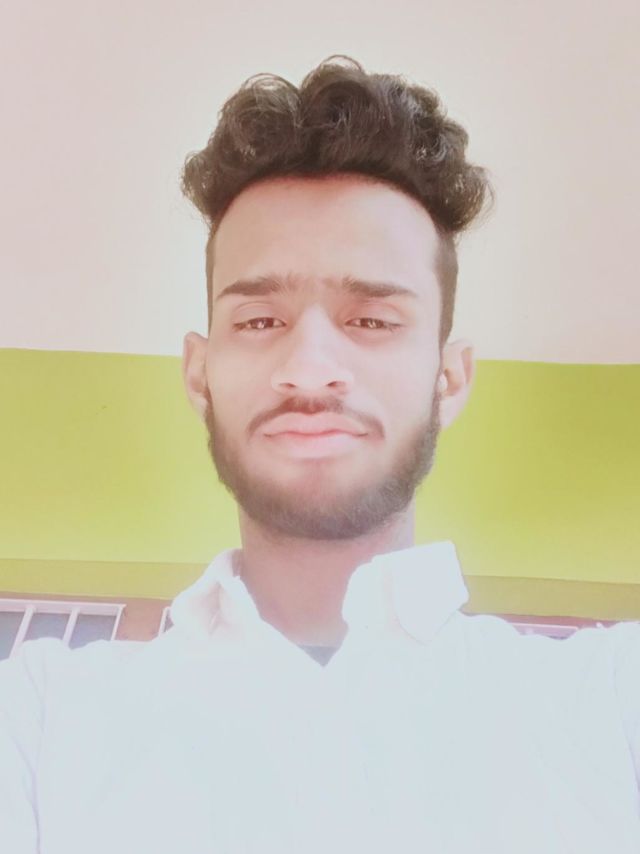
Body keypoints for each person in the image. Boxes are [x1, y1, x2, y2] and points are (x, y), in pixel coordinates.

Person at [1, 55, 639, 854]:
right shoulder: (40, 720)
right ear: (200, 374)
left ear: (448, 379)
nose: (308, 369)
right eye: (260, 321)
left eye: (370, 321)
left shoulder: (610, 705)